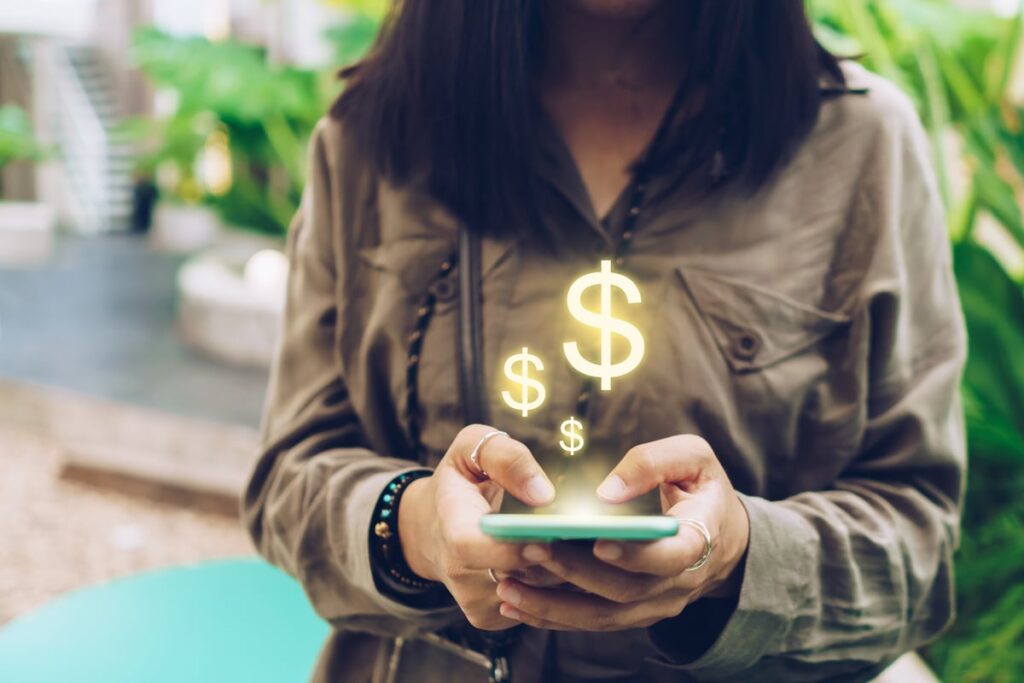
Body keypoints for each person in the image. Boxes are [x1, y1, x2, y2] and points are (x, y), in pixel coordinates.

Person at [243, 1, 967, 681]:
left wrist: (740, 555)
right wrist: (414, 529)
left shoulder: (861, 145)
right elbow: (291, 477)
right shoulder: (375, 138)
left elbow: (917, 541)